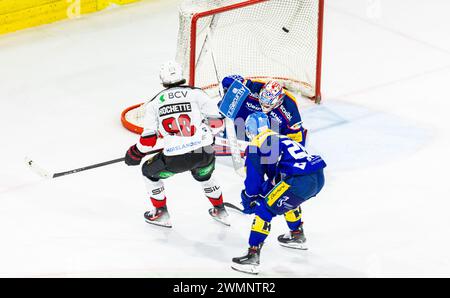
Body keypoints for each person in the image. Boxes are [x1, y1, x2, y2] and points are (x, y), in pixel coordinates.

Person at [124, 61, 228, 228]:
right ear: (182, 76)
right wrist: (207, 134)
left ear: (162, 80)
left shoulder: (154, 103)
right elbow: (218, 124)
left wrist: (135, 153)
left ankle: (161, 213)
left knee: (149, 172)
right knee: (205, 176)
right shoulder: (197, 94)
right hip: (204, 152)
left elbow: (148, 140)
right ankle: (220, 210)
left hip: (175, 159)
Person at [231, 112, 326, 275]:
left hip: (298, 181)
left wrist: (249, 198)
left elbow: (253, 183)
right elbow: (274, 179)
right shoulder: (280, 137)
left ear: (249, 130)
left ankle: (252, 256)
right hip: (317, 176)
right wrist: (262, 192)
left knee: (263, 209)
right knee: (286, 199)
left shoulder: (256, 144)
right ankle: (296, 235)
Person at [220, 75, 307, 146]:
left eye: (267, 105)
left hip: (269, 139)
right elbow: (228, 80)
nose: (263, 106)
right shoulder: (254, 87)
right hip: (240, 126)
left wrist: (293, 150)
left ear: (278, 102)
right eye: (261, 102)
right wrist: (228, 94)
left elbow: (297, 135)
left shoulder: (290, 107)